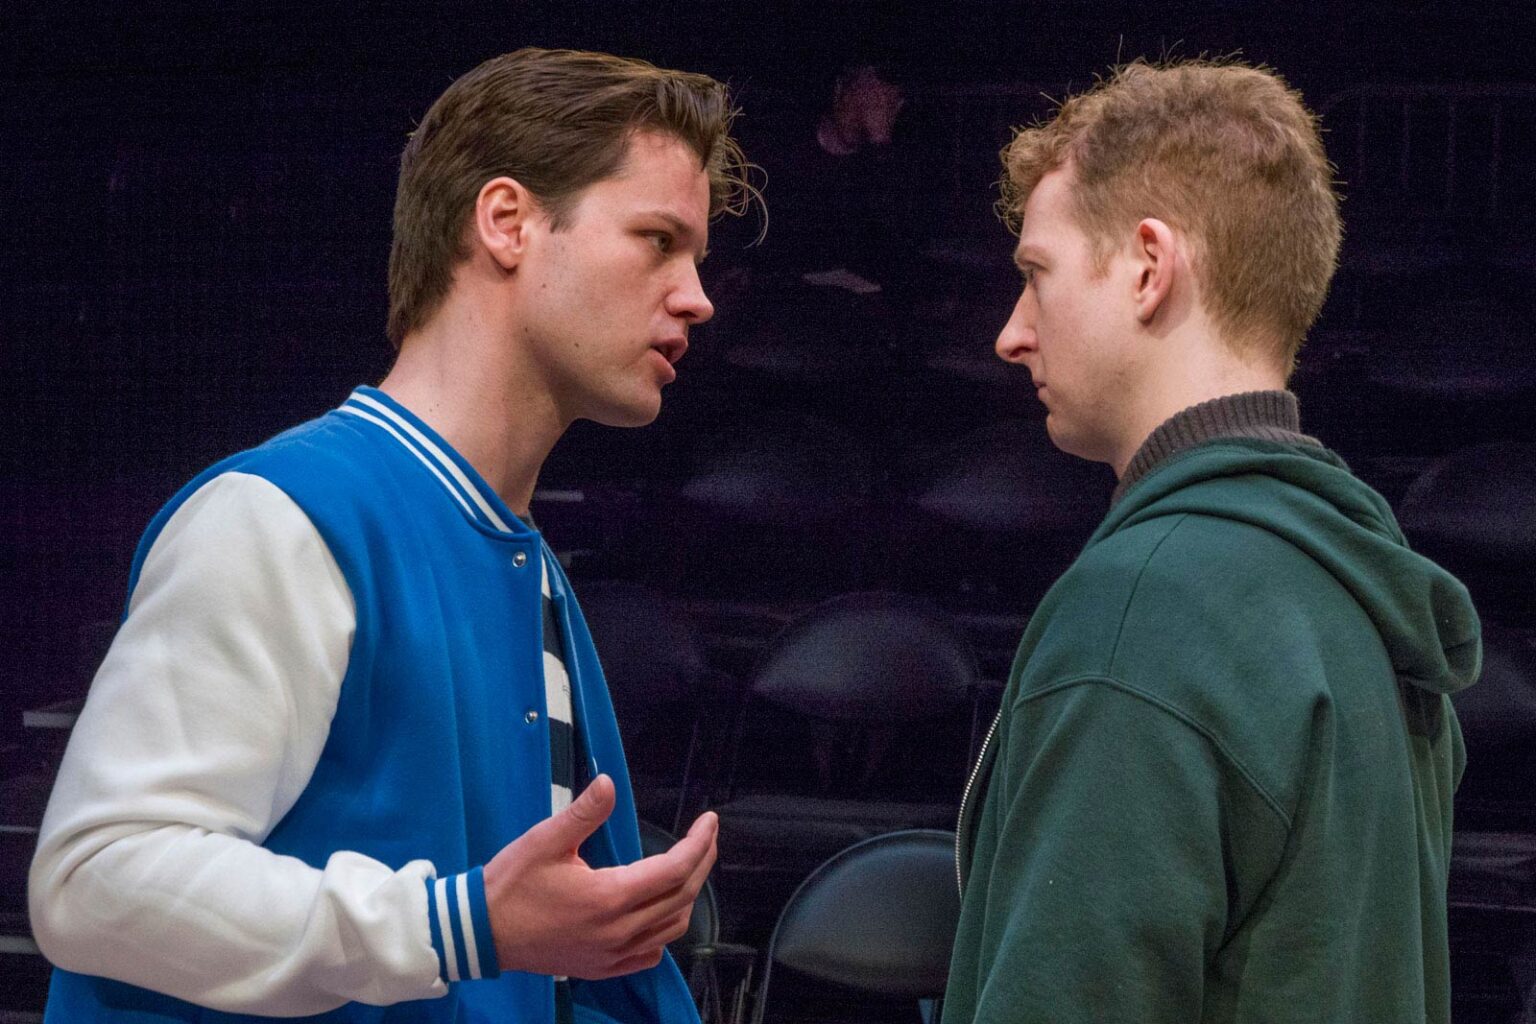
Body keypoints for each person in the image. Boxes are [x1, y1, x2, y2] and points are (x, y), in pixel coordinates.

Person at [29, 47, 756, 1023]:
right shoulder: (282, 514)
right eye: (657, 240)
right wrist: (455, 925)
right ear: (507, 222)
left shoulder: (523, 560)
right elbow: (93, 879)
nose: (697, 295)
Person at [944, 59, 1480, 1024]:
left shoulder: (1144, 608)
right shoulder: (1359, 589)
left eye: (1036, 275)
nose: (1012, 334)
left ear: (1148, 267)